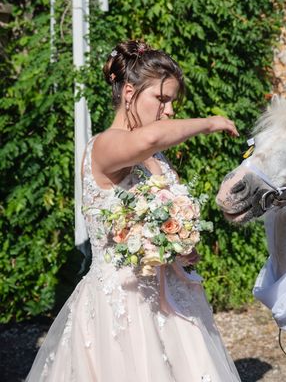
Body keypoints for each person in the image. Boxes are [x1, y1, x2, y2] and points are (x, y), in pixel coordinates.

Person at [27, 40, 241, 381]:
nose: (169, 111)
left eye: (172, 102)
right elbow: (148, 139)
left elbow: (156, 196)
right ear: (129, 92)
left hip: (173, 298)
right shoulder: (106, 144)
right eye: (162, 99)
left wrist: (180, 245)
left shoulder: (156, 158)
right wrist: (209, 122)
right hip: (123, 306)